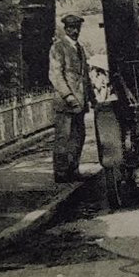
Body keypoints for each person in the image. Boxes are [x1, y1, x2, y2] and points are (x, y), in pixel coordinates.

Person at [49, 13, 96, 182]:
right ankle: (61, 173)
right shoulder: (58, 47)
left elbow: (85, 77)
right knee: (63, 138)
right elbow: (55, 75)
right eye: (71, 28)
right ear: (65, 29)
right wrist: (68, 96)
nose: (75, 31)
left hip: (81, 102)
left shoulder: (80, 48)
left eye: (77, 28)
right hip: (65, 103)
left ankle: (73, 169)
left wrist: (92, 98)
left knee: (79, 136)